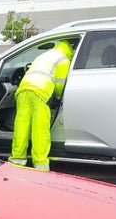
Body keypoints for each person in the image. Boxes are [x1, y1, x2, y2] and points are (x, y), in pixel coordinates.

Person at [8, 40, 74, 171]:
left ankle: (17, 159)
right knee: (40, 130)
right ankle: (40, 163)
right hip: (41, 92)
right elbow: (60, 83)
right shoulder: (64, 60)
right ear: (69, 52)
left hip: (23, 89)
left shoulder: (45, 55)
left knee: (21, 126)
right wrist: (58, 98)